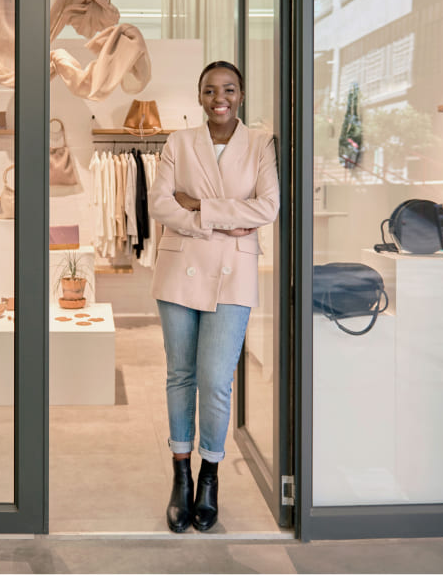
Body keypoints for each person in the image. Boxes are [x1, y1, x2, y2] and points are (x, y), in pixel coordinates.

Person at [148, 60, 280, 532]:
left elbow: (268, 206)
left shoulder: (261, 143)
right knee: (180, 374)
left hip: (234, 273)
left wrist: (199, 206)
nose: (218, 97)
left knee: (215, 379)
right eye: (209, 90)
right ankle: (180, 476)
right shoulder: (178, 142)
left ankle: (210, 476)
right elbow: (160, 203)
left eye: (228, 89)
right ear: (199, 96)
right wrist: (227, 217)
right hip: (178, 269)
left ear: (241, 95)